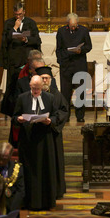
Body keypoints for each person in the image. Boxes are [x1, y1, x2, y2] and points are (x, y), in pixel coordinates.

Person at [12, 75, 65, 210]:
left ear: (42, 87)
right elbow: (14, 116)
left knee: (45, 169)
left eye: (38, 88)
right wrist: (19, 119)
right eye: (33, 88)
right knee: (29, 171)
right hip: (28, 140)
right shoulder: (22, 98)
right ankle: (29, 202)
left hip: (44, 140)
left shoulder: (50, 98)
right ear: (30, 86)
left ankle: (46, 202)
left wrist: (50, 121)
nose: (36, 91)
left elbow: (55, 115)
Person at [0, 1, 42, 117]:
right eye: (16, 14)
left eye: (20, 14)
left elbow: (37, 40)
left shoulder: (31, 23)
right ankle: (13, 110)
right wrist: (15, 28)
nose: (18, 17)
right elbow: (5, 41)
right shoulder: (8, 23)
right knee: (13, 86)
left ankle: (30, 108)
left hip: (27, 59)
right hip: (14, 60)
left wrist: (26, 40)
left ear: (24, 12)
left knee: (27, 85)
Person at [36, 66, 69, 200]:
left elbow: (64, 111)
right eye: (42, 78)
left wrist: (52, 121)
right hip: (37, 135)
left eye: (47, 78)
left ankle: (56, 190)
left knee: (54, 162)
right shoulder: (32, 94)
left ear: (50, 79)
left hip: (52, 134)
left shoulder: (57, 94)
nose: (45, 80)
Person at [56, 13, 93, 123]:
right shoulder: (61, 31)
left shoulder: (83, 31)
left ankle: (80, 115)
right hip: (66, 66)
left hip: (79, 64)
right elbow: (59, 49)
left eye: (75, 25)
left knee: (80, 92)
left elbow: (89, 46)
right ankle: (65, 116)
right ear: (67, 23)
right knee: (65, 92)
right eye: (72, 25)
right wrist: (65, 56)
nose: (74, 27)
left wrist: (80, 50)